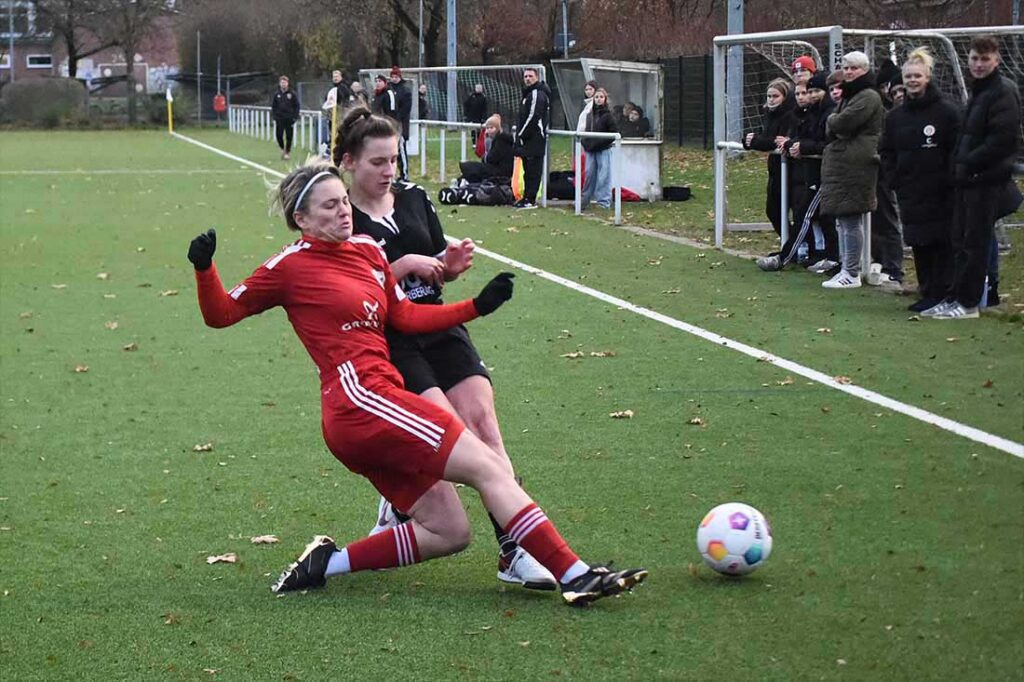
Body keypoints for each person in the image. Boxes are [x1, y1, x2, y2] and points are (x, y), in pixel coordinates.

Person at [186, 159, 648, 606]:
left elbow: (403, 315)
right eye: (328, 206)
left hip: (372, 406)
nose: (343, 210)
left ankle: (325, 566)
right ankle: (576, 574)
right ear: (301, 218)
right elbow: (221, 314)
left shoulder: (368, 251)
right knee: (488, 465)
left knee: (449, 532)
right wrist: (205, 270)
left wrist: (475, 307)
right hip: (360, 401)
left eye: (343, 200)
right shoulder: (289, 265)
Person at [332, 107, 554, 590]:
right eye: (377, 162)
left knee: (485, 426)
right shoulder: (340, 218)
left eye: (394, 159)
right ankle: (401, 495)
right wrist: (403, 264)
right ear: (350, 162)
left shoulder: (414, 198)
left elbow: (434, 266)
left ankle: (514, 552)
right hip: (389, 340)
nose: (390, 170)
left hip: (440, 325)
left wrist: (447, 266)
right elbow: (348, 288)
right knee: (452, 437)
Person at [933, 35, 1021, 319]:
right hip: (968, 179)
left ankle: (969, 302)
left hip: (987, 179)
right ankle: (955, 296)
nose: (978, 64)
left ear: (997, 60)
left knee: (975, 242)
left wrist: (968, 162)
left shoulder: (1002, 92)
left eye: (984, 59)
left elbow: (1002, 139)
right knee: (959, 239)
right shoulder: (979, 91)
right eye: (974, 58)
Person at [879, 47, 961, 313]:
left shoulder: (947, 111)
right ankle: (927, 291)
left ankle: (944, 292)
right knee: (918, 242)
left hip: (941, 191)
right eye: (909, 76)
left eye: (917, 75)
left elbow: (957, 148)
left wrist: (950, 179)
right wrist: (894, 178)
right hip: (909, 190)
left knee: (941, 242)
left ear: (928, 77)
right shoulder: (895, 117)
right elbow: (886, 150)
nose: (913, 80)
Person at [757, 73, 838, 272]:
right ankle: (829, 256)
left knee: (807, 215)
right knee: (813, 216)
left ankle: (786, 258)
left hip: (824, 173)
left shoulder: (828, 114)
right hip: (808, 172)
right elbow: (799, 139)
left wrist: (798, 145)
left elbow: (825, 143)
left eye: (813, 91)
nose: (808, 96)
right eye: (804, 92)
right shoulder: (808, 114)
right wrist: (794, 144)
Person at [819, 51, 885, 290]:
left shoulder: (867, 96)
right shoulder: (853, 94)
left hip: (857, 163)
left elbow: (840, 122)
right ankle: (846, 268)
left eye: (854, 68)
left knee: (850, 218)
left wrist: (833, 121)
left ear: (865, 70)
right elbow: (835, 122)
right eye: (846, 68)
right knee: (844, 219)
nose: (848, 72)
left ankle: (852, 271)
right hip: (845, 163)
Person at [867, 60, 906, 292]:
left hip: (903, 176)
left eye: (900, 90)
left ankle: (895, 269)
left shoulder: (892, 114)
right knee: (879, 217)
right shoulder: (888, 114)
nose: (897, 95)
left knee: (890, 219)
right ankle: (882, 263)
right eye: (893, 91)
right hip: (886, 173)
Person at [743, 78, 796, 247]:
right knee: (773, 210)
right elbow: (767, 137)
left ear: (784, 97)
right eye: (769, 96)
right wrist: (749, 140)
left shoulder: (790, 114)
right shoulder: (769, 113)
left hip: (791, 168)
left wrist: (756, 142)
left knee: (794, 210)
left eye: (775, 96)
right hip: (775, 168)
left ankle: (798, 245)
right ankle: (790, 242)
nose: (771, 99)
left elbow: (777, 141)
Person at [512, 67, 550, 210]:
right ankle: (526, 197)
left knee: (534, 170)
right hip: (528, 138)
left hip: (535, 139)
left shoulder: (537, 94)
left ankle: (530, 199)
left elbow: (533, 117)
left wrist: (521, 135)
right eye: (526, 76)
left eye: (530, 76)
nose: (527, 79)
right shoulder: (528, 94)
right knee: (527, 169)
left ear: (537, 77)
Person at [580, 88, 618, 210]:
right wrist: (586, 143)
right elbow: (586, 131)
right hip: (591, 150)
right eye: (596, 97)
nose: (598, 99)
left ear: (605, 99)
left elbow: (613, 134)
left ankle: (604, 203)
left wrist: (599, 143)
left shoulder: (609, 116)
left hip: (604, 150)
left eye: (601, 97)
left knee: (604, 176)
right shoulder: (589, 115)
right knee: (589, 175)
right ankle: (584, 201)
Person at [459, 113, 514, 183]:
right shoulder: (497, 140)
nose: (488, 130)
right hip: (497, 168)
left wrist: (485, 157)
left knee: (471, 167)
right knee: (472, 167)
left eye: (491, 128)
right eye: (487, 128)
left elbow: (492, 158)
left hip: (501, 172)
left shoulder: (501, 141)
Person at [388, 67, 413, 182]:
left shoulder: (405, 90)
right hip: (391, 124)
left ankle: (404, 174)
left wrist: (398, 118)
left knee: (401, 149)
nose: (394, 79)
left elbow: (406, 108)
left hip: (401, 124)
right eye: (392, 77)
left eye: (396, 77)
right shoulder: (389, 89)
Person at [270, 75, 301, 160]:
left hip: (289, 118)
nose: (283, 84)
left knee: (289, 136)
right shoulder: (277, 94)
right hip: (279, 118)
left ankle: (287, 151)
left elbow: (297, 105)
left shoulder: (292, 94)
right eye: (282, 82)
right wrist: (274, 116)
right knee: (279, 135)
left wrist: (295, 116)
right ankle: (282, 148)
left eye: (285, 82)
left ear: (287, 83)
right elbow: (274, 106)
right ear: (280, 84)